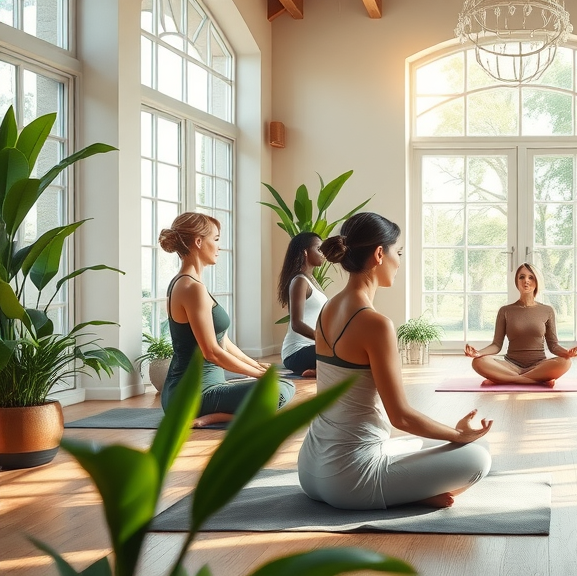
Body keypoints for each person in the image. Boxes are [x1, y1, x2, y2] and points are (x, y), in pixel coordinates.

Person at [297, 212, 492, 510]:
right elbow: (400, 416)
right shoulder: (375, 323)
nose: (399, 262)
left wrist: (452, 435)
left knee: (422, 444)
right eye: (398, 252)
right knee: (478, 455)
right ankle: (409, 494)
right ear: (379, 254)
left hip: (310, 470)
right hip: (349, 481)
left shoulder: (328, 309)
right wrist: (459, 434)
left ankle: (411, 490)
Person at [158, 212, 295, 428]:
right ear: (198, 242)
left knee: (282, 384)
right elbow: (211, 351)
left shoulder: (188, 283)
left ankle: (219, 415)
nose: (219, 246)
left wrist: (257, 365)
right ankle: (216, 417)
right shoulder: (191, 288)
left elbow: (224, 342)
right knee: (282, 390)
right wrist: (258, 374)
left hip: (189, 391)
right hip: (193, 395)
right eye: (216, 239)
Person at [464, 263, 577, 386]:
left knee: (566, 362)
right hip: (510, 365)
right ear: (516, 281)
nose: (526, 280)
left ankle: (504, 379)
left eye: (531, 277)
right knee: (478, 362)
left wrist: (566, 353)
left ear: (537, 281)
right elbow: (496, 345)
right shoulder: (505, 311)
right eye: (522, 277)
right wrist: (478, 353)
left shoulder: (547, 310)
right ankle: (536, 379)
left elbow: (553, 345)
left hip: (539, 365)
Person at [278, 232, 328, 378]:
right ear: (305, 252)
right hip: (296, 352)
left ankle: (316, 371)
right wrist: (324, 341)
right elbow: (296, 323)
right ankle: (318, 370)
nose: (323, 253)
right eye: (319, 249)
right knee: (343, 352)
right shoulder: (299, 281)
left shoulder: (310, 279)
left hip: (311, 347)